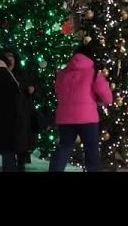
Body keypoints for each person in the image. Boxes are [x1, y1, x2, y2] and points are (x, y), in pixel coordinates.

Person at [49, 43, 113, 172]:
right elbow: (106, 95)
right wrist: (102, 101)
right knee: (91, 149)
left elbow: (57, 91)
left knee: (64, 147)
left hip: (65, 117)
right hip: (87, 118)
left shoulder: (63, 73)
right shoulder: (93, 73)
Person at [3, 50, 38, 166]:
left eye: (11, 57)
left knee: (21, 139)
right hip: (7, 111)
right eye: (7, 57)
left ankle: (21, 162)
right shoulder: (2, 73)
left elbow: (33, 87)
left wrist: (32, 89)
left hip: (21, 110)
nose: (9, 59)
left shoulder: (22, 73)